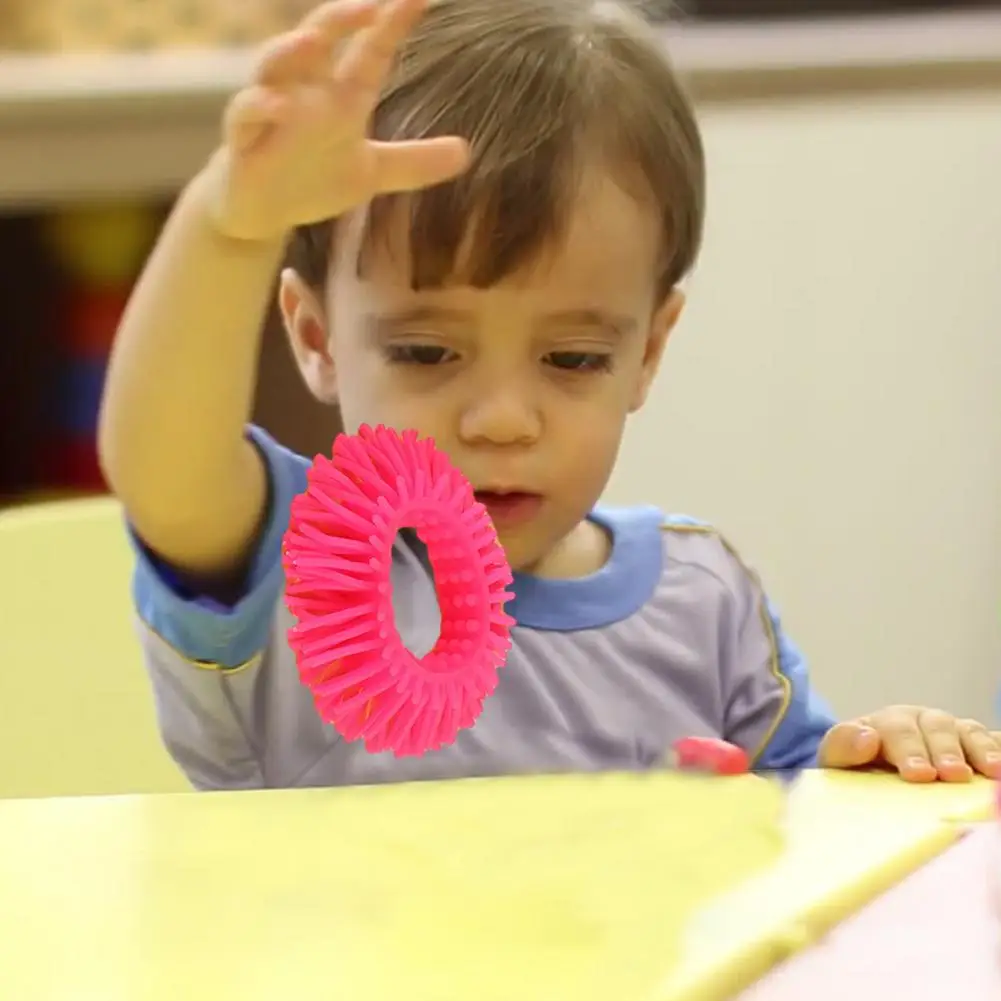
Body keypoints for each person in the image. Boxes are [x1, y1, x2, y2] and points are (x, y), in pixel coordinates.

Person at [98, 0, 1000, 791]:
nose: (501, 419)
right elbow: (162, 467)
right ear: (316, 339)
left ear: (646, 351)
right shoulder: (294, 570)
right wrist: (229, 224)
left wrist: (884, 758)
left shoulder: (703, 599)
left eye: (570, 359)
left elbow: (810, 829)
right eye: (424, 350)